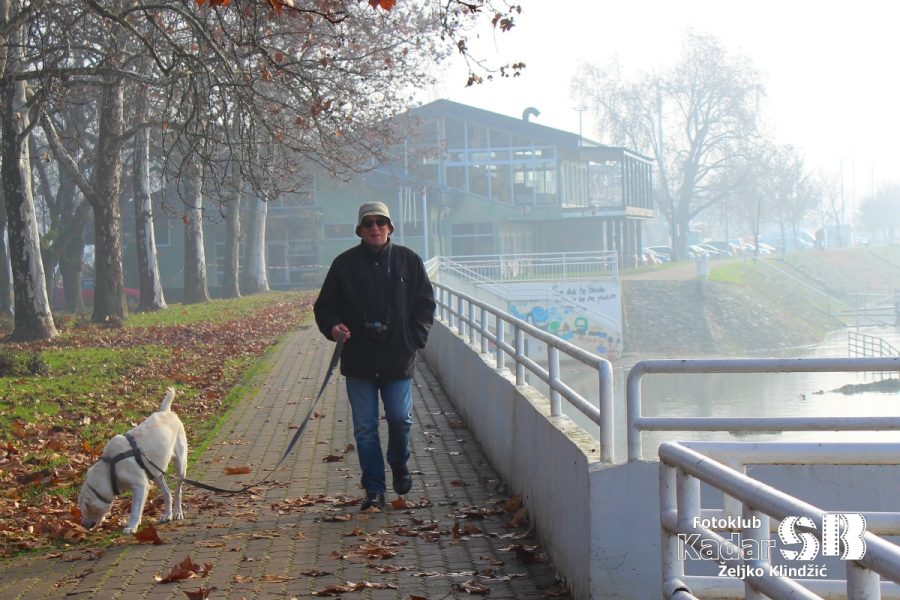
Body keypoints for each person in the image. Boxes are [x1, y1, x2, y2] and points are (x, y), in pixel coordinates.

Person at [313, 202, 435, 510]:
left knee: (400, 419)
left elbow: (425, 305)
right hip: (359, 360)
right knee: (365, 429)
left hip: (398, 358)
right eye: (368, 223)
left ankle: (399, 463)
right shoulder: (343, 265)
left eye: (381, 222)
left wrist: (413, 340)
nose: (375, 227)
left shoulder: (409, 261)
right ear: (360, 230)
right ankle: (375, 490)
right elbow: (325, 307)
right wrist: (333, 327)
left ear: (390, 227)